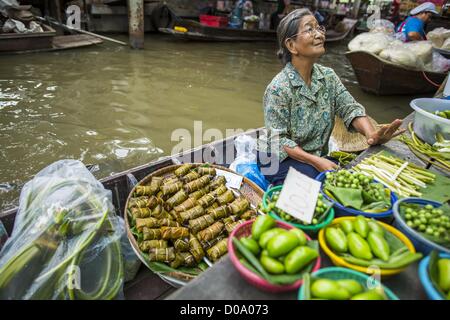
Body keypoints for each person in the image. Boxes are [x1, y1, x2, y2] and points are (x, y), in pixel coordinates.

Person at [257, 9, 404, 185]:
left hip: (314, 155)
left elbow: (350, 108)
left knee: (344, 176)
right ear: (291, 45)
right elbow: (279, 141)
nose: (319, 34)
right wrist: (317, 161)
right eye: (310, 29)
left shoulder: (328, 76)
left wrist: (371, 134)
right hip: (276, 158)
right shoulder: (278, 88)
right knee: (326, 181)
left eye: (319, 28)